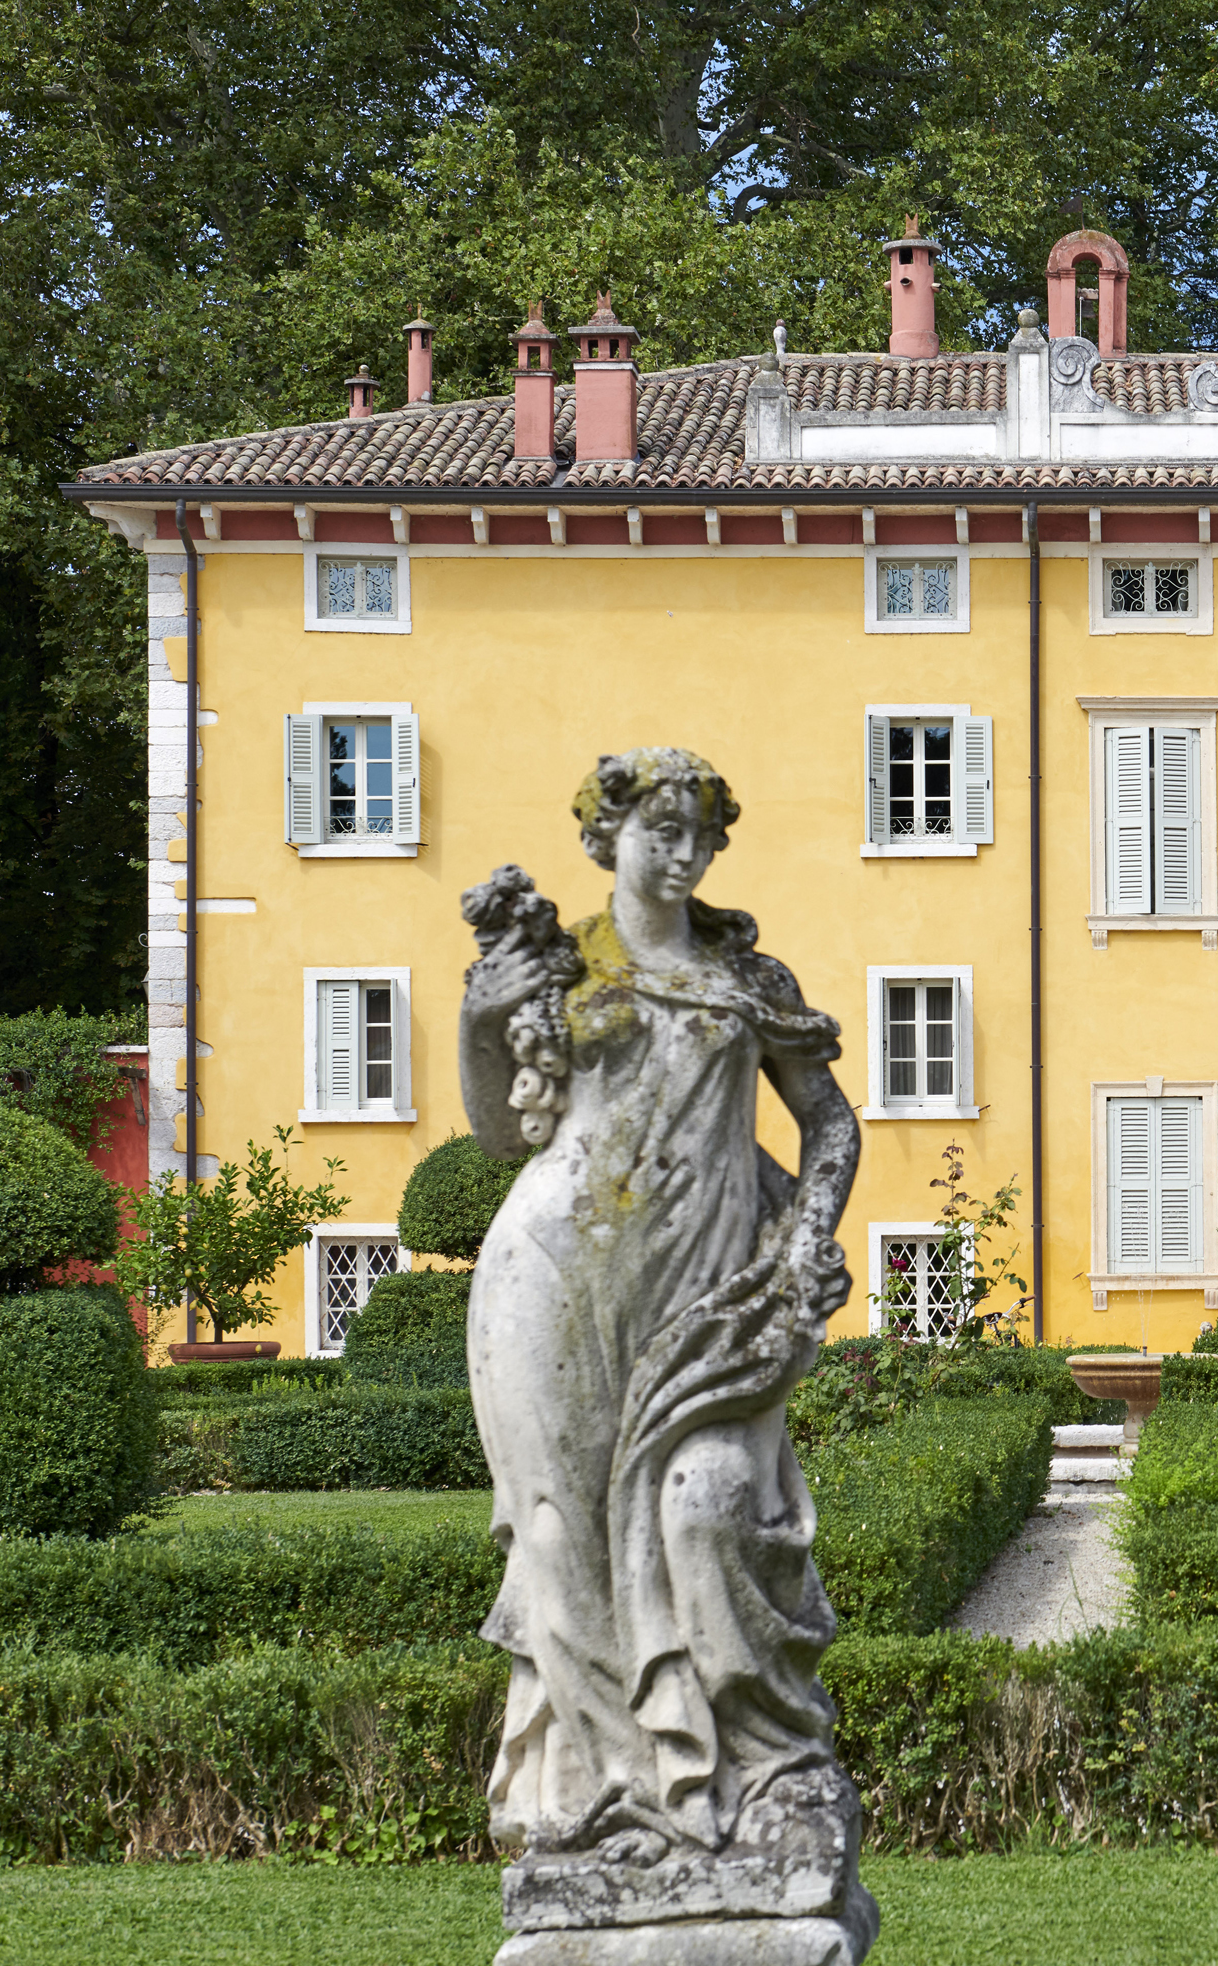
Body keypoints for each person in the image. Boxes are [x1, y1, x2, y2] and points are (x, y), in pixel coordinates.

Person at [457, 748, 873, 1949]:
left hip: (706, 1294)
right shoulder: (561, 967)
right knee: (556, 1538)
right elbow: (501, 1133)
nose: (682, 852)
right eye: (659, 830)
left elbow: (830, 1122)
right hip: (549, 1279)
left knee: (709, 1504)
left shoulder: (745, 975)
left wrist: (808, 1234)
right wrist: (483, 1018)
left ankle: (752, 1771)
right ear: (608, 837)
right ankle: (611, 1799)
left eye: (699, 832)